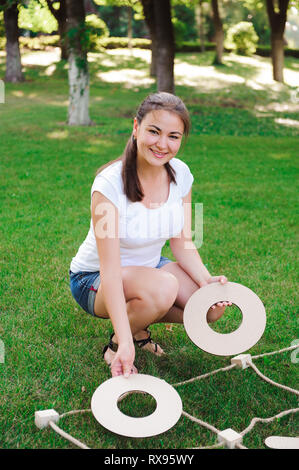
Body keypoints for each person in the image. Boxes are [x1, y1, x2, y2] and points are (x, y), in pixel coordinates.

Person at [69, 92, 231, 379]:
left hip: (150, 269)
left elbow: (182, 242)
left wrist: (207, 282)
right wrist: (125, 342)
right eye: (154, 132)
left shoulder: (180, 174)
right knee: (164, 288)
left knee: (211, 309)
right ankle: (119, 344)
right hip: (93, 279)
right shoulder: (108, 185)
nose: (162, 144)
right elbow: (109, 268)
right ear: (136, 128)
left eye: (173, 136)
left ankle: (141, 320)